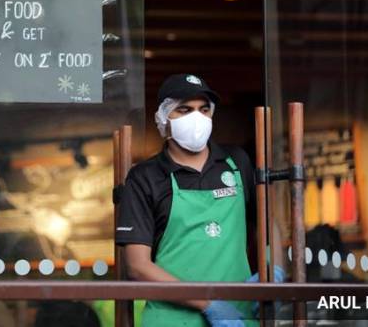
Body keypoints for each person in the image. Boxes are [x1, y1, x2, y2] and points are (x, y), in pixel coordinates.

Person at [115, 74, 284, 327]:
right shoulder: (145, 177)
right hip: (172, 320)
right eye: (184, 110)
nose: (197, 118)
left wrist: (275, 271)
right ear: (164, 118)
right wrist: (207, 304)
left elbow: (269, 224)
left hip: (238, 316)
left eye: (203, 109)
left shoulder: (237, 162)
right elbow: (137, 266)